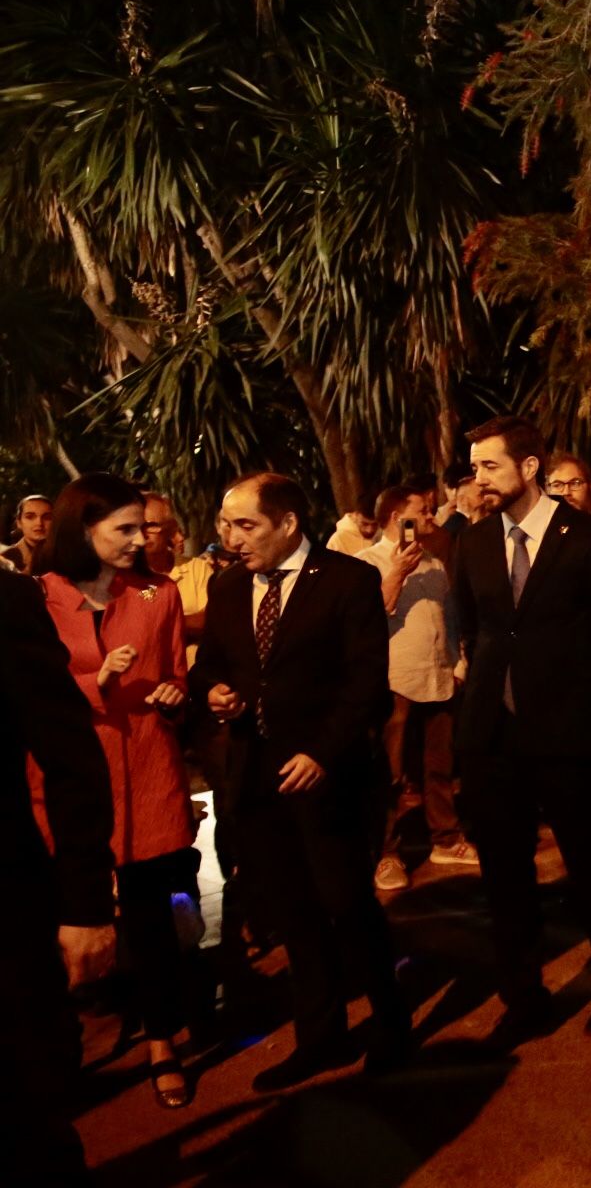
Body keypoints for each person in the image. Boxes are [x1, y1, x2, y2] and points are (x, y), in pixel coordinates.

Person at [189, 473, 409, 1090]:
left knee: (348, 905)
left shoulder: (348, 580)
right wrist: (217, 694)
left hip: (327, 778)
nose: (231, 539)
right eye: (226, 525)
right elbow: (212, 666)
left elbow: (365, 684)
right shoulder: (231, 588)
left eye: (245, 525)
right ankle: (322, 1037)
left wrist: (321, 752)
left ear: (287, 523)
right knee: (293, 913)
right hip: (256, 777)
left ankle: (392, 1024)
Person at [450, 416, 591, 1044]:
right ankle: (525, 997)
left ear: (529, 467)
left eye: (488, 465)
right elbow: (476, 631)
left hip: (569, 735)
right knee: (504, 876)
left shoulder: (590, 541)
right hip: (494, 736)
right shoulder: (474, 543)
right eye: (474, 466)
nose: (476, 477)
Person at [32, 474, 198, 1109]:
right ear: (84, 530)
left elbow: (178, 675)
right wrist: (93, 680)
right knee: (60, 919)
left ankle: (163, 1042)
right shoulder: (37, 598)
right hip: (68, 780)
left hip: (149, 771)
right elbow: (27, 694)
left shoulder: (159, 594)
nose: (140, 539)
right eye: (124, 529)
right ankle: (59, 1049)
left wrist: (175, 696)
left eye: (144, 527)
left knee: (152, 916)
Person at [2, 569, 117, 1181]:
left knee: (29, 1126)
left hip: (6, 920)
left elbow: (71, 757)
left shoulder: (5, 602)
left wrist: (87, 906)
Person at [357, 484, 474, 890]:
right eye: (421, 513)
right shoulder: (364, 564)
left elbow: (451, 616)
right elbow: (369, 617)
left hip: (438, 677)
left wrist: (459, 663)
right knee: (389, 773)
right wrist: (397, 572)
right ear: (395, 519)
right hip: (395, 682)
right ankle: (386, 852)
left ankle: (446, 837)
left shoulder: (435, 563)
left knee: (439, 767)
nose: (430, 518)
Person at [143, 492, 216, 653]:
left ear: (170, 529)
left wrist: (161, 623)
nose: (143, 533)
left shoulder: (197, 569)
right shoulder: (125, 577)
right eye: (136, 526)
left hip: (195, 672)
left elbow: (213, 620)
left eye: (151, 525)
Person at [3, 493, 52, 573]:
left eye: (47, 517)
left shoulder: (63, 555)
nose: (39, 523)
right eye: (30, 517)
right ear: (19, 522)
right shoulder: (7, 559)